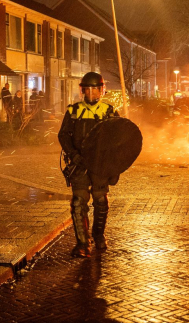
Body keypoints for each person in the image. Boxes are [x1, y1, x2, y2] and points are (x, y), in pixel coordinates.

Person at [58, 72, 118, 257]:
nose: (91, 94)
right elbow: (63, 135)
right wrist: (73, 155)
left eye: (95, 90)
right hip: (79, 164)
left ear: (101, 91)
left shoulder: (109, 112)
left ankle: (98, 236)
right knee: (78, 202)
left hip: (100, 165)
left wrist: (114, 167)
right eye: (88, 90)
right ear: (83, 90)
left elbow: (118, 141)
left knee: (100, 200)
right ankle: (82, 244)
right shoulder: (73, 111)